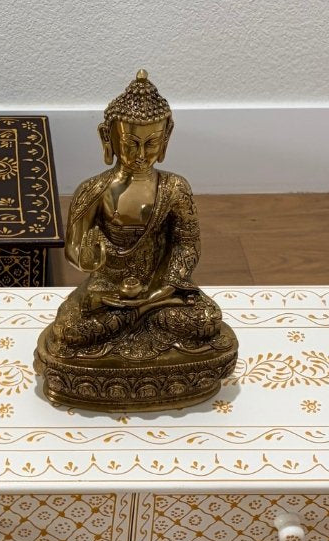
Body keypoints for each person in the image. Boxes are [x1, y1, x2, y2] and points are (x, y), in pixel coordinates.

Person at [37, 72, 236, 411]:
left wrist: (164, 286)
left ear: (166, 138)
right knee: (70, 330)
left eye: (151, 143)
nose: (141, 154)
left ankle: (128, 351)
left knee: (206, 320)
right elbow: (73, 250)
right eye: (131, 144)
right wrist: (90, 256)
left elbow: (187, 244)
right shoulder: (92, 191)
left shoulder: (175, 189)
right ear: (108, 138)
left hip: (161, 296)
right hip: (107, 294)